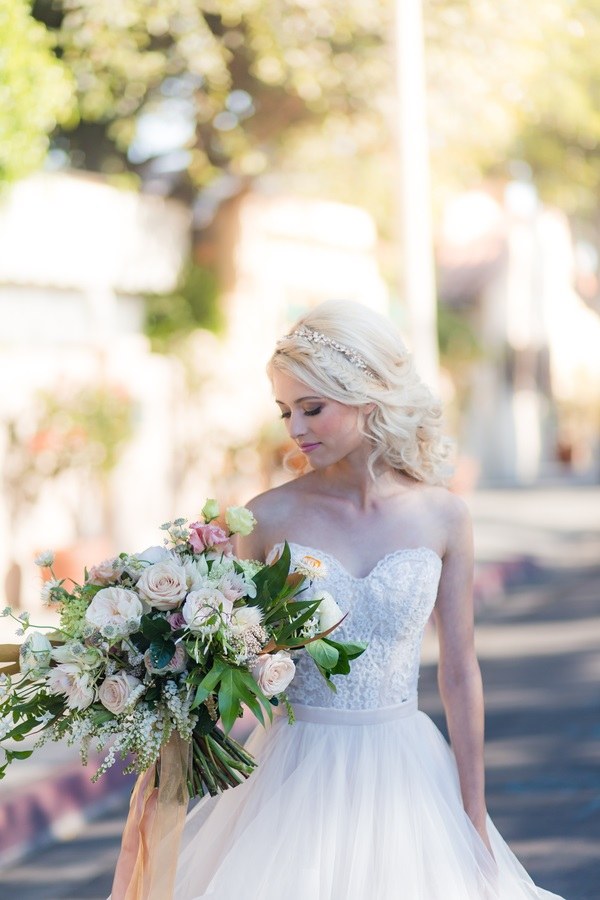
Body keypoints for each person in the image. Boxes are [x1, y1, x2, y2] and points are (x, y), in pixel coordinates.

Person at [173, 299, 564, 899]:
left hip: (406, 770)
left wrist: (474, 815)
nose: (296, 429)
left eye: (312, 408)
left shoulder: (443, 516)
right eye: (285, 412)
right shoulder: (266, 516)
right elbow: (217, 652)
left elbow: (460, 673)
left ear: (366, 397)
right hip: (291, 774)